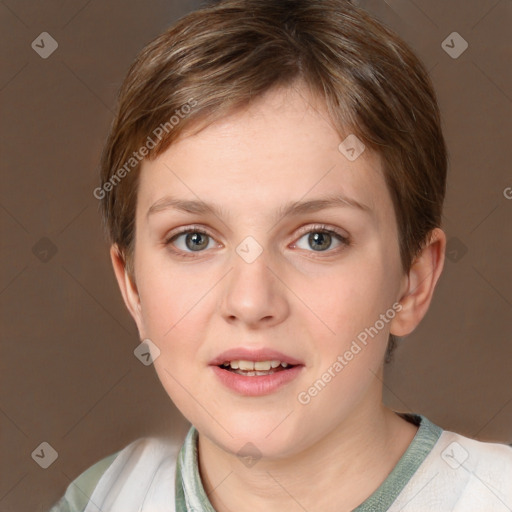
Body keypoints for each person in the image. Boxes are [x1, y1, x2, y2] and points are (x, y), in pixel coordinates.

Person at [51, 0, 512, 510]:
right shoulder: (102, 499)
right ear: (133, 287)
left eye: (319, 238)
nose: (251, 302)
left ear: (412, 282)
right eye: (194, 239)